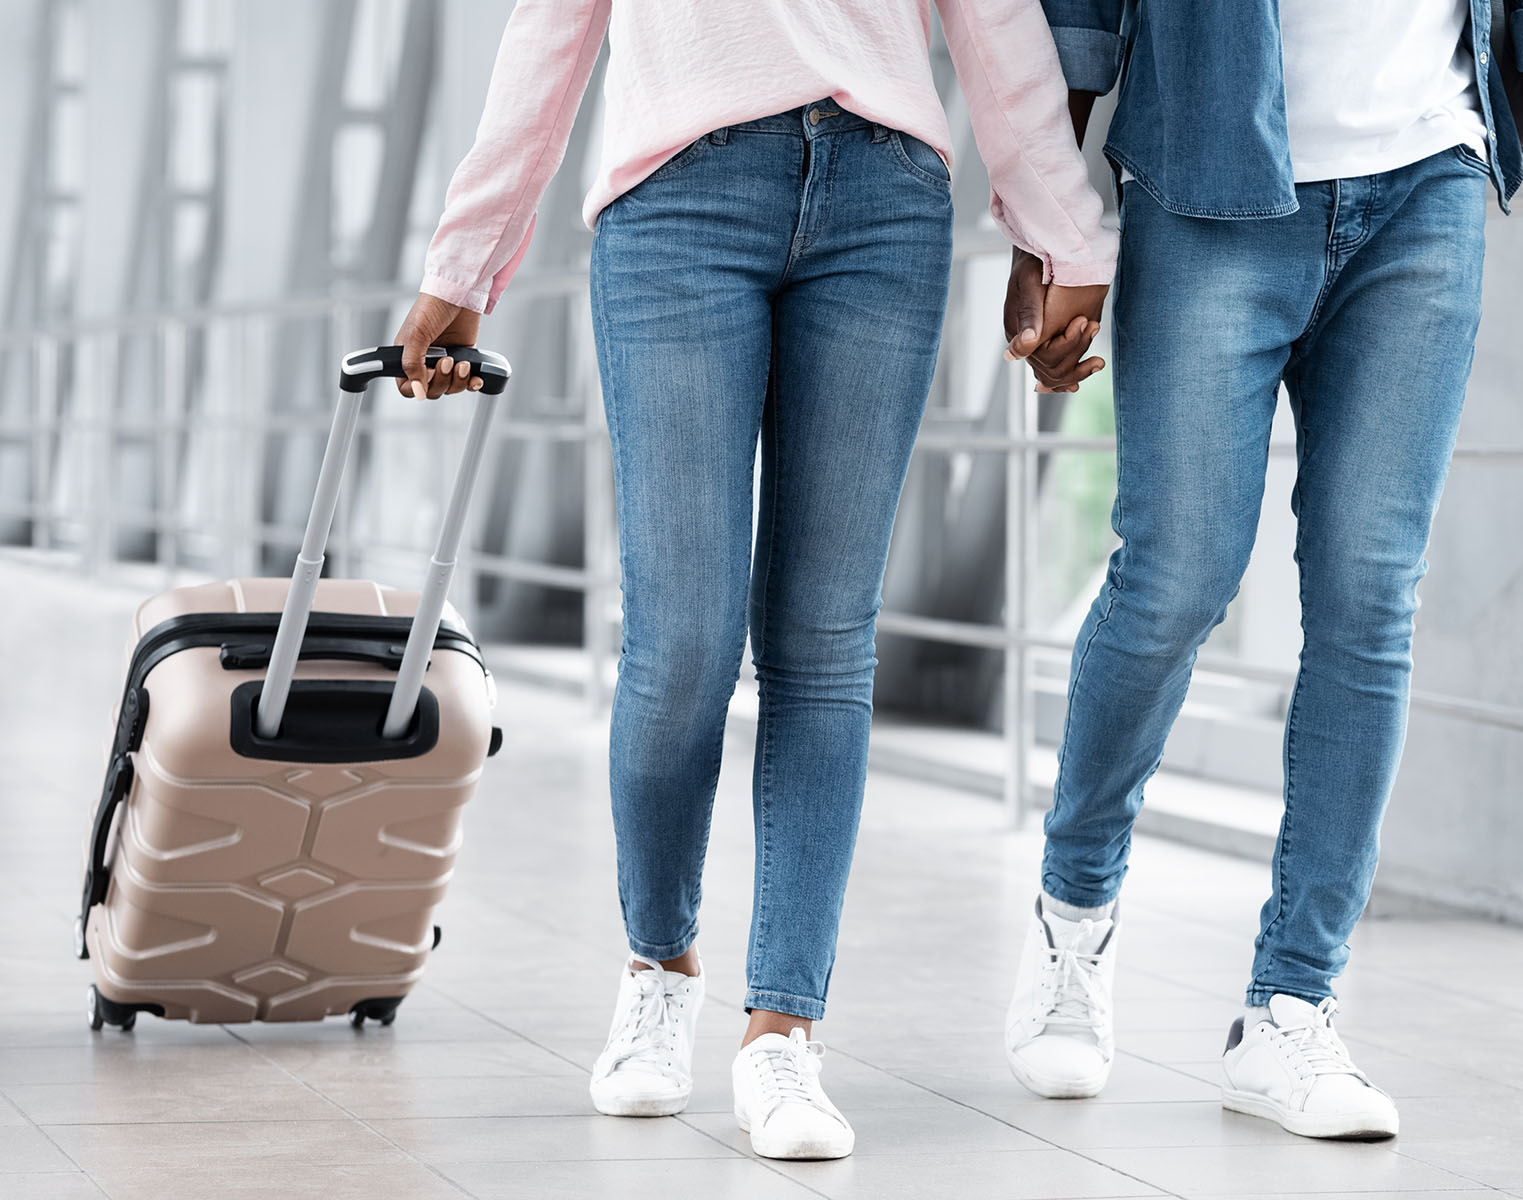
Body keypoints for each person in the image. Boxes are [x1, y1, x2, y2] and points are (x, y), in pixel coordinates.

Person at [394, 0, 1114, 1161]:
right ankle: (659, 965)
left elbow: (995, 19)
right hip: (677, 198)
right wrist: (465, 258)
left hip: (884, 201)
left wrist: (1062, 233)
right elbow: (549, 30)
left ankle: (785, 1029)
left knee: (825, 642)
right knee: (682, 638)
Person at [1004, 0, 1523, 1139]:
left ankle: (1293, 1002)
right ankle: (1073, 913)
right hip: (1207, 181)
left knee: (1369, 601)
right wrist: (1051, 228)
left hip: (1426, 185)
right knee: (1177, 575)